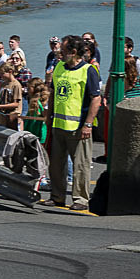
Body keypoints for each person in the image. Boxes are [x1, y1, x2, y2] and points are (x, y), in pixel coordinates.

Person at [44, 35, 102, 210]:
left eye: (63, 51)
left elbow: (96, 99)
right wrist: (48, 116)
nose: (59, 53)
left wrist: (88, 124)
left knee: (80, 166)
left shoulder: (88, 70)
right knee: (56, 165)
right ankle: (57, 196)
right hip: (58, 125)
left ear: (74, 52)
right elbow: (53, 93)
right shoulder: (59, 67)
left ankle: (80, 200)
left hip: (78, 127)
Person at [0, 63, 22, 130]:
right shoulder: (3, 84)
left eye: (2, 73)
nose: (1, 76)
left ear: (10, 72)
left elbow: (16, 104)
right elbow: (0, 100)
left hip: (12, 117)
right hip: (2, 116)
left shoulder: (16, 85)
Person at [23, 78, 49, 144]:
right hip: (34, 131)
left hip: (36, 132)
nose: (27, 90)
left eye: (29, 88)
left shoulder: (36, 102)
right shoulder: (34, 100)